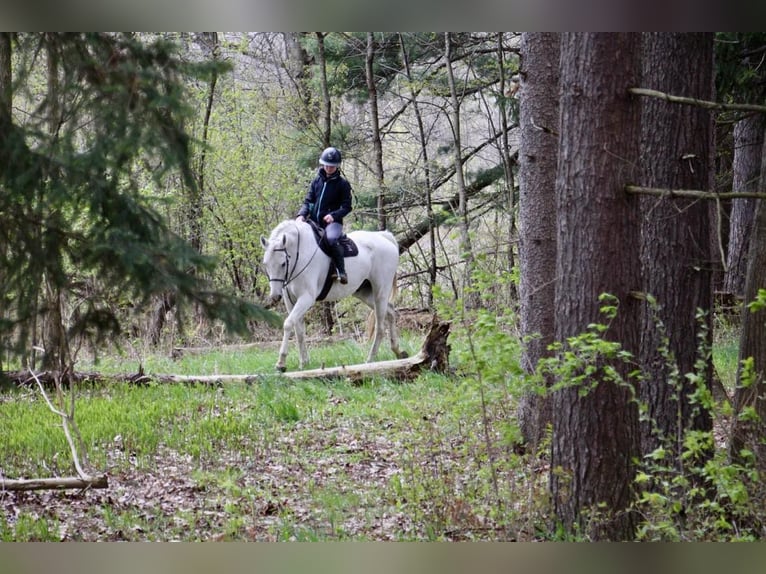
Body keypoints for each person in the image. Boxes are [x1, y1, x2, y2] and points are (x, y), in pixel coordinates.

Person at [295, 146, 353, 284]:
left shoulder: (343, 184)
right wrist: (301, 215)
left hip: (333, 223)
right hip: (314, 221)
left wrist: (333, 216)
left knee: (332, 239)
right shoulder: (317, 181)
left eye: (332, 166)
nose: (328, 168)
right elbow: (308, 201)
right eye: (326, 165)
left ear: (337, 166)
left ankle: (341, 271)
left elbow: (347, 207)